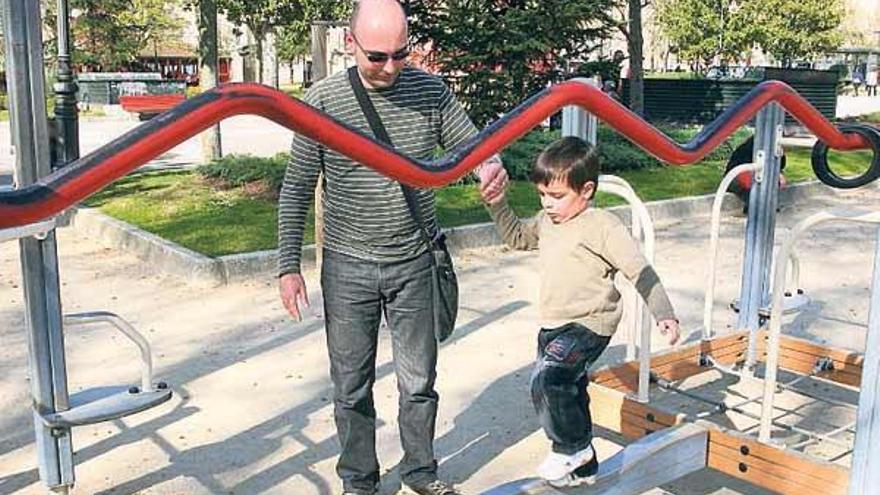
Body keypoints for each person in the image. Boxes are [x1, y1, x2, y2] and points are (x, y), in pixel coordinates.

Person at [277, 1, 507, 494]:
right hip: (347, 266)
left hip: (413, 261)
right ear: (350, 43)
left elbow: (473, 147)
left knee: (418, 381)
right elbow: (297, 185)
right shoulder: (324, 101)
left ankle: (421, 471)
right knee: (350, 387)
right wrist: (287, 265)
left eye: (400, 55)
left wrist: (489, 168)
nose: (390, 68)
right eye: (377, 56)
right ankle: (359, 480)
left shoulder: (429, 92)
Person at [480, 136, 680, 487]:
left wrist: (664, 313)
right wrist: (498, 204)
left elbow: (639, 270)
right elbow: (518, 238)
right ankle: (584, 468)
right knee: (566, 389)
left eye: (557, 196)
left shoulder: (603, 226)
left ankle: (570, 448)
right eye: (543, 194)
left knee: (550, 378)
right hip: (553, 322)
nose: (548, 204)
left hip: (590, 322)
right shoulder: (547, 220)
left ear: (586, 190)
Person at [724, 135, 787, 213]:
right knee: (756, 179)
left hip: (748, 176)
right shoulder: (753, 148)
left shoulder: (768, 147)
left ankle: (759, 205)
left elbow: (780, 165)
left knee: (769, 178)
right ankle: (755, 205)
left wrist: (781, 155)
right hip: (737, 176)